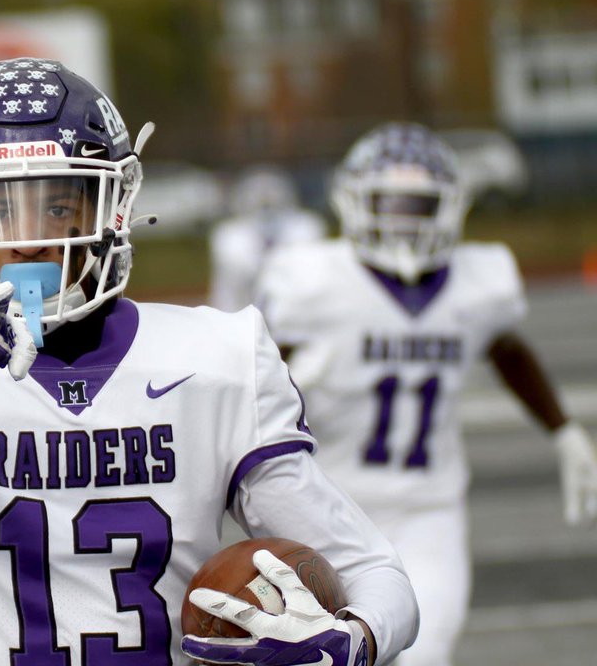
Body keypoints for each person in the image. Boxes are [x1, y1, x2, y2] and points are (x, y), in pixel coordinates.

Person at [0, 58, 417, 666]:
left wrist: (354, 640)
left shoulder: (217, 355)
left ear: (113, 208)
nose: (27, 239)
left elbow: (371, 570)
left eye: (56, 207)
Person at [255, 122, 597, 666]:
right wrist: (282, 380)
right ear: (353, 202)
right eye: (388, 203)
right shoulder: (314, 284)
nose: (403, 219)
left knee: (421, 654)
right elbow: (251, 381)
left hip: (428, 512)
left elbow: (505, 348)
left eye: (418, 204)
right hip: (326, 508)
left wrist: (563, 430)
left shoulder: (475, 285)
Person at [208, 166, 326, 312]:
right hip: (238, 312)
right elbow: (243, 276)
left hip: (296, 315)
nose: (265, 202)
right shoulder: (228, 235)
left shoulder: (306, 226)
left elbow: (306, 274)